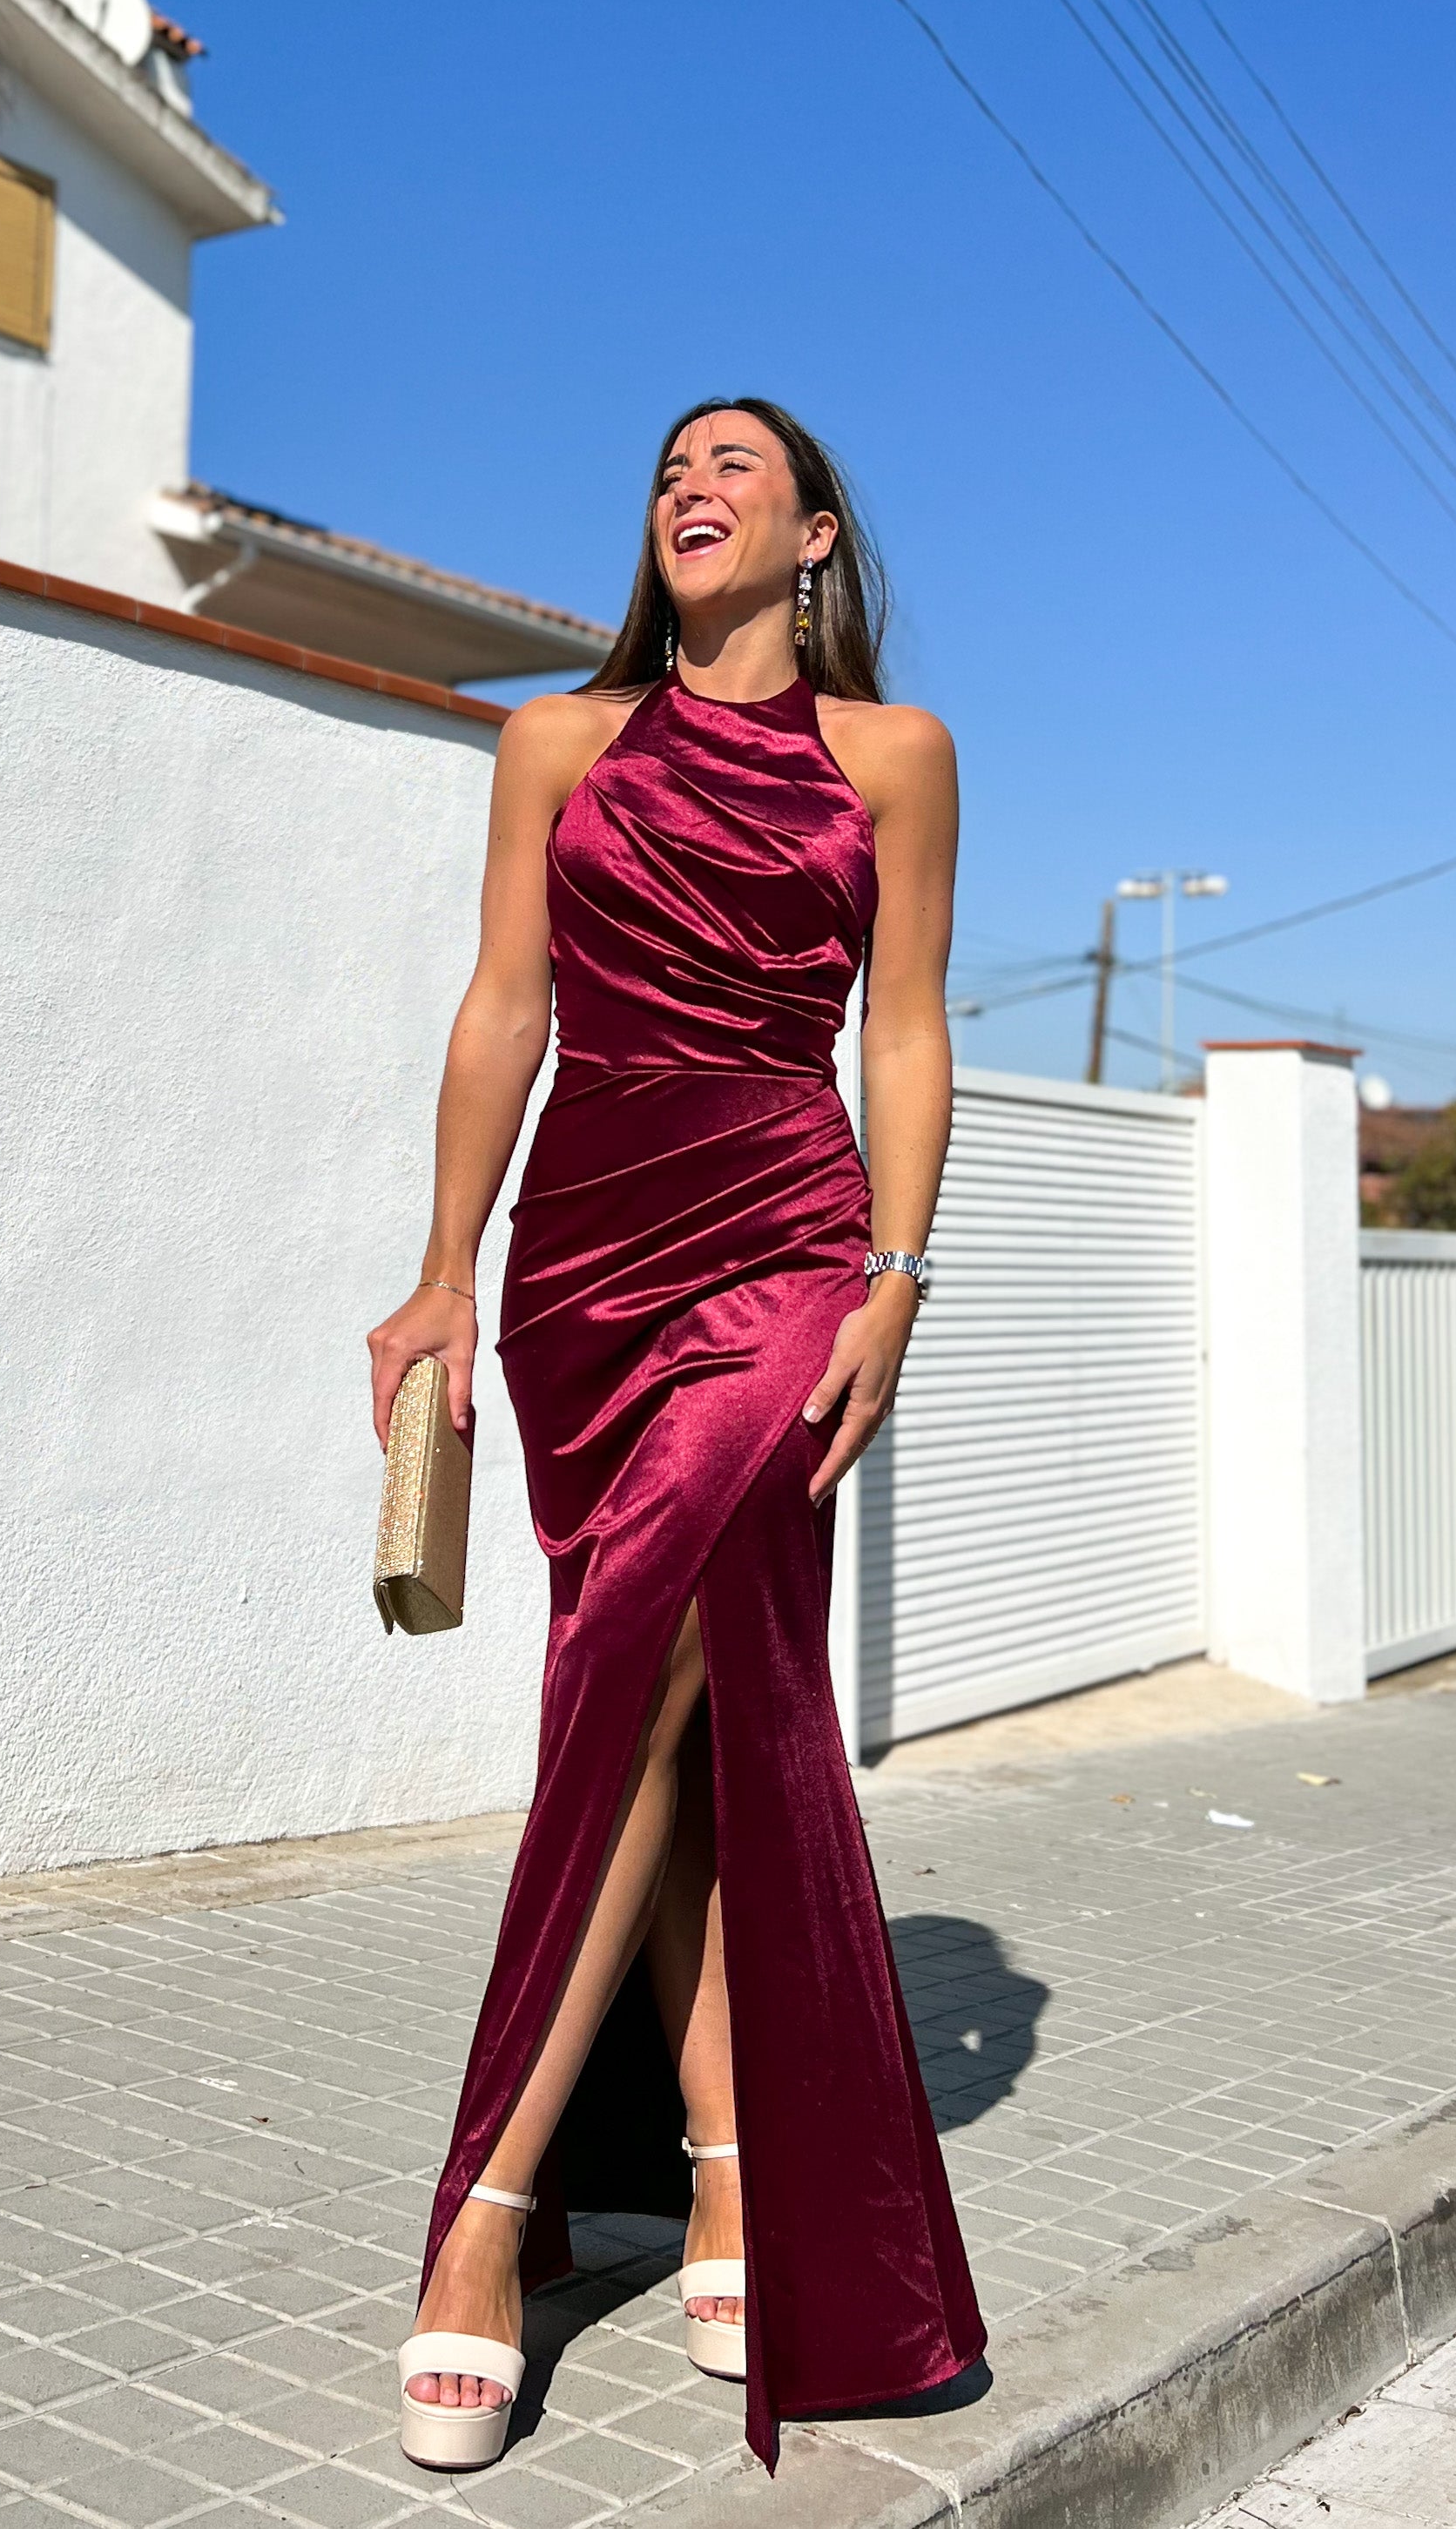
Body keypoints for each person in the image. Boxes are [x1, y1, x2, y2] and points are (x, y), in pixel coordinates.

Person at [367, 397, 982, 2476]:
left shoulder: (894, 757)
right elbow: (502, 1010)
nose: (690, 489)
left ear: (810, 531)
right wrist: (445, 1270)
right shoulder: (556, 741)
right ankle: (723, 2156)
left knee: (636, 1679)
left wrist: (895, 1275)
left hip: (791, 1242)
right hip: (585, 1266)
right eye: (664, 470)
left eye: (734, 467)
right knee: (659, 1709)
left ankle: (493, 2197)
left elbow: (901, 1021)